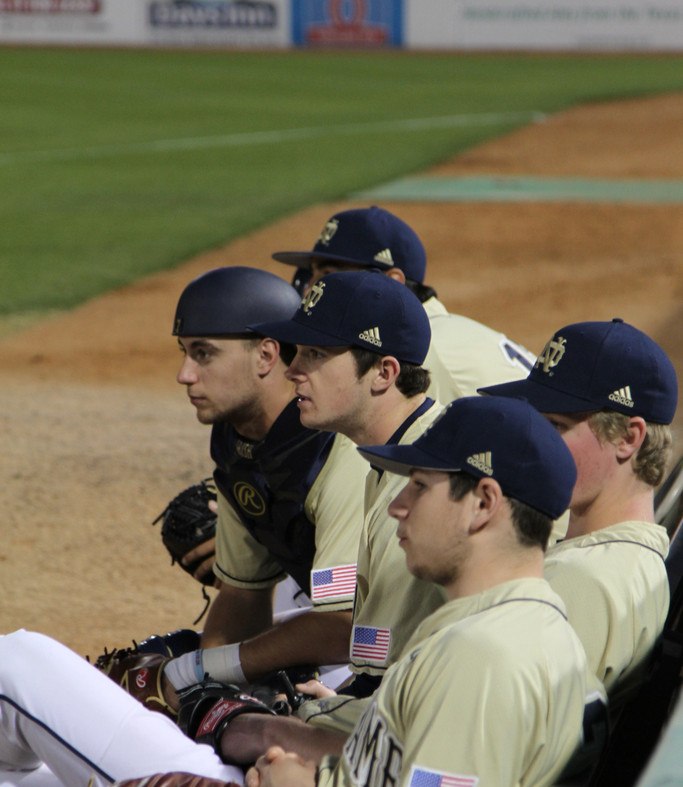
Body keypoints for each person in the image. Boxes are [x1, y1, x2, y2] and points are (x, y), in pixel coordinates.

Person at [0, 395, 605, 787]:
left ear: (483, 503)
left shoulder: (488, 658)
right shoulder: (502, 625)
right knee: (21, 666)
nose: (397, 504)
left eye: (420, 486)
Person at [164, 270, 444, 704]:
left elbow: (350, 629)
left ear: (383, 372)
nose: (292, 369)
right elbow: (376, 646)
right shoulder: (383, 458)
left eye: (314, 353)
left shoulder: (417, 476)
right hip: (408, 678)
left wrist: (207, 670)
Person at [164, 265, 368, 688]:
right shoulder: (236, 443)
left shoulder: (334, 443)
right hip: (359, 633)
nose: (184, 374)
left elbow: (344, 624)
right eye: (183, 352)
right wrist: (205, 687)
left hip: (422, 651)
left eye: (203, 353)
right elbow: (243, 595)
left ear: (266, 355)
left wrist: (212, 668)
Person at [480, 317, 678, 709]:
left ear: (628, 438)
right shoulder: (625, 561)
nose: (533, 443)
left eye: (556, 425)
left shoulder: (582, 580)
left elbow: (493, 734)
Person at [270, 203, 536, 403]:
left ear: (393, 281)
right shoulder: (435, 332)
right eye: (312, 275)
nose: (309, 290)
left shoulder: (424, 352)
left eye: (328, 276)